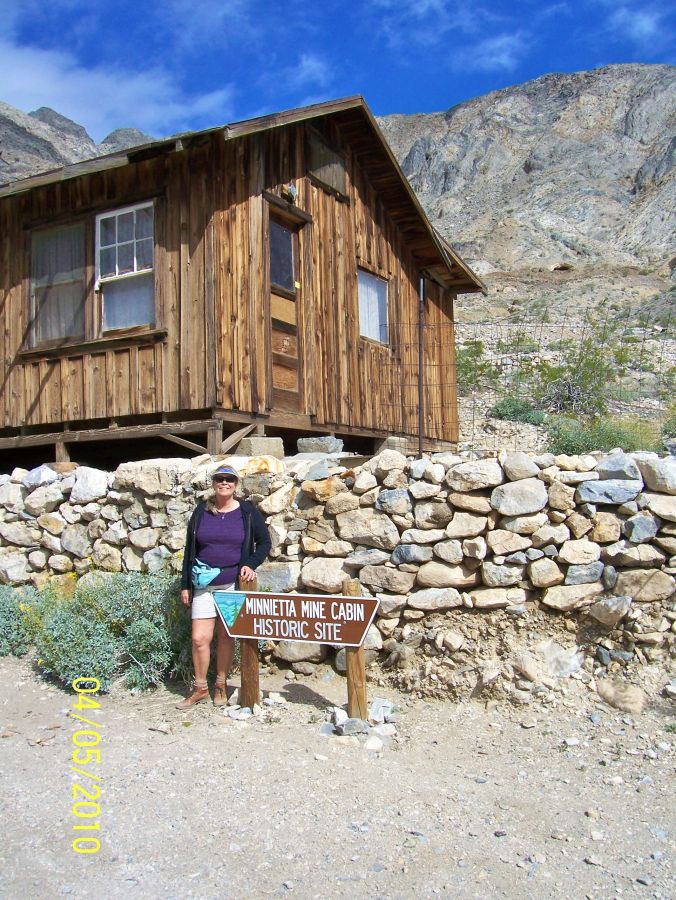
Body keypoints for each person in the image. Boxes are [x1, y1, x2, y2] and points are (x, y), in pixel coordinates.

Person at [176, 464, 271, 709]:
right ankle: (199, 688)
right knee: (199, 638)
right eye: (220, 479)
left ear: (236, 484)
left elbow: (264, 543)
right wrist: (185, 584)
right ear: (213, 483)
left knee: (227, 636)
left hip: (231, 584)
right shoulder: (201, 512)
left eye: (229, 479)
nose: (224, 483)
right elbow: (190, 551)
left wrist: (250, 564)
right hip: (203, 584)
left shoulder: (247, 512)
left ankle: (221, 683)